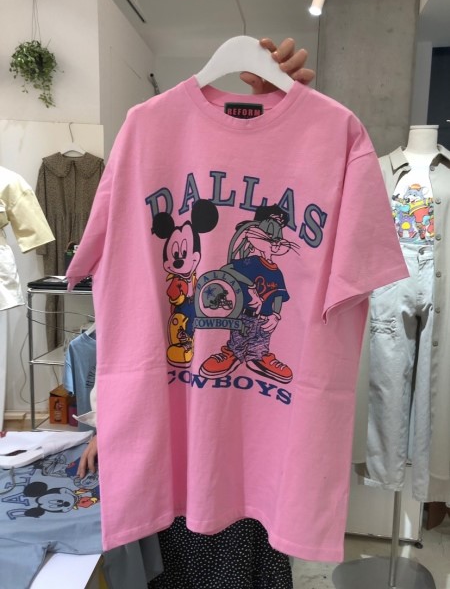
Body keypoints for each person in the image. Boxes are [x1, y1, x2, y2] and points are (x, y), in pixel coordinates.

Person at [77, 36, 315, 480]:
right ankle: (232, 351)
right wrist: (108, 420)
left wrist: (290, 124)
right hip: (166, 439)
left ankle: (253, 354)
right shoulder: (143, 130)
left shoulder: (330, 137)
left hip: (267, 451)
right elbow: (120, 299)